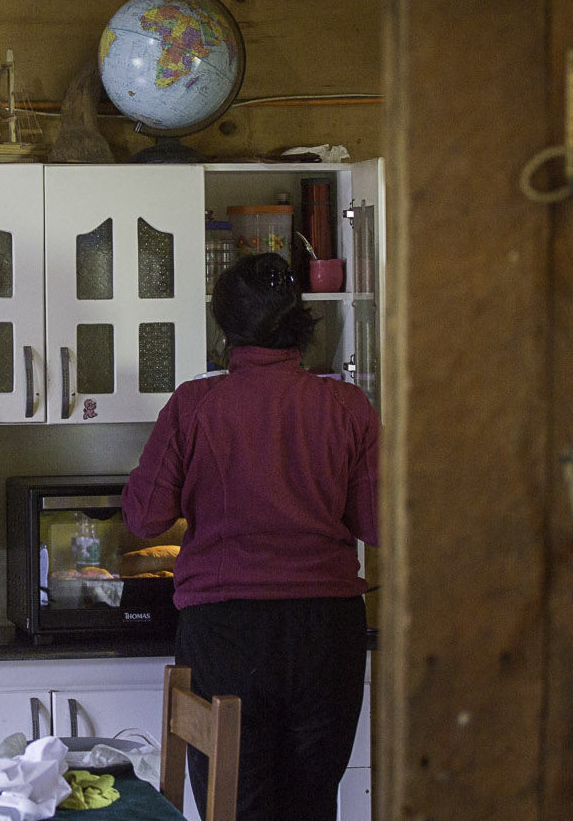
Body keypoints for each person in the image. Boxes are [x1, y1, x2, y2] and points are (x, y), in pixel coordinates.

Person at [122, 251, 378, 821]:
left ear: (225, 329)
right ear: (298, 321)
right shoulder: (347, 405)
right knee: (311, 806)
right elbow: (380, 523)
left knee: (234, 808)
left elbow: (144, 519)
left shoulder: (195, 405)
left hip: (227, 631)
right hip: (327, 633)